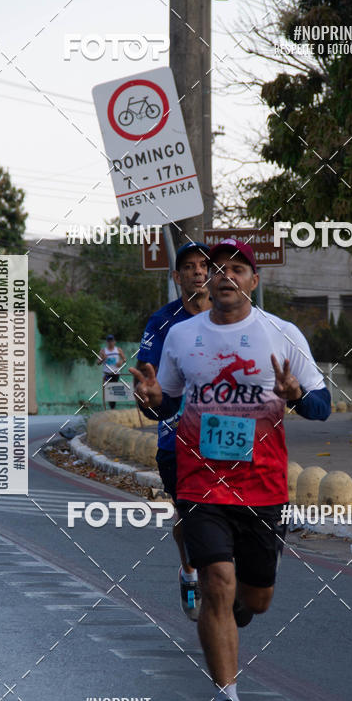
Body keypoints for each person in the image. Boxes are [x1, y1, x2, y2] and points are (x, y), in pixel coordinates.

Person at [130, 239, 331, 701]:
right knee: (216, 580)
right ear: (205, 281)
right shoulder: (181, 335)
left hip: (262, 487)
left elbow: (323, 406)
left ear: (252, 281)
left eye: (236, 269)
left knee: (256, 599)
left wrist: (297, 395)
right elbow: (166, 402)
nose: (223, 276)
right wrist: (153, 401)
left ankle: (241, 608)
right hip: (201, 483)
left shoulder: (281, 335)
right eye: (216, 269)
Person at [135, 241, 212, 622]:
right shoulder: (162, 322)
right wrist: (148, 398)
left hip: (229, 438)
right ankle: (189, 570)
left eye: (204, 265)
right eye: (189, 267)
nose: (198, 271)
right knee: (189, 514)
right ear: (176, 276)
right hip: (177, 439)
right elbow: (147, 385)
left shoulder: (235, 317)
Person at [98, 335, 127, 409]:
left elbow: (124, 359)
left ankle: (112, 408)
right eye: (109, 341)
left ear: (114, 342)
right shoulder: (103, 351)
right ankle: (108, 408)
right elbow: (98, 363)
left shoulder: (118, 350)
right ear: (107, 342)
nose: (110, 342)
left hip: (115, 373)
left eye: (112, 341)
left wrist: (121, 361)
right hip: (107, 374)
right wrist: (102, 359)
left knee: (113, 390)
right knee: (108, 390)